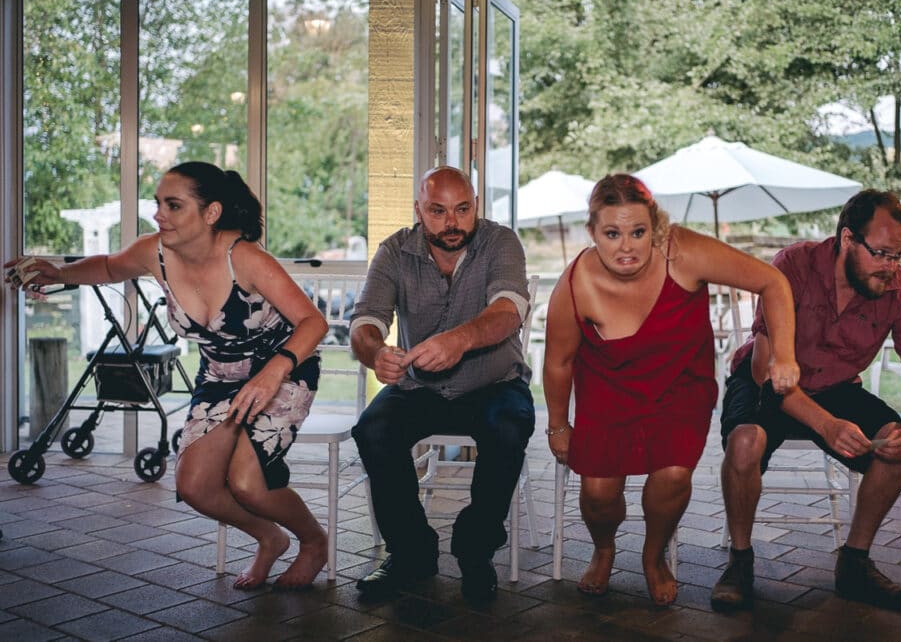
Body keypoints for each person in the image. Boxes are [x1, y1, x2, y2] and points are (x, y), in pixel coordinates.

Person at [4, 162, 330, 591]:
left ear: (211, 213)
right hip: (220, 377)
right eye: (158, 203)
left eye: (173, 205)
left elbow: (313, 321)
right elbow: (109, 268)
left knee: (247, 484)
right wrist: (61, 273)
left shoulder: (245, 258)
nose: (159, 214)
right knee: (195, 486)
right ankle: (270, 537)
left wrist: (274, 371)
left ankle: (313, 541)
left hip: (282, 371)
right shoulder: (154, 252)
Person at [543, 173, 799, 606]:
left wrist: (784, 355)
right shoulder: (575, 284)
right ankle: (604, 549)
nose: (626, 246)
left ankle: (653, 554)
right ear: (592, 232)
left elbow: (772, 282)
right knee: (599, 494)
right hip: (608, 392)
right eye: (612, 233)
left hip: (680, 387)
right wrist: (557, 425)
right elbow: (558, 362)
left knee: (673, 476)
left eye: (638, 232)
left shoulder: (684, 252)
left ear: (655, 227)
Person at [712, 189, 901, 612]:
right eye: (882, 254)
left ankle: (854, 564)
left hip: (835, 387)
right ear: (847, 239)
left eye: (900, 256)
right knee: (745, 443)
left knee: (896, 443)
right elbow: (765, 369)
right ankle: (740, 562)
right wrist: (826, 425)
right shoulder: (794, 266)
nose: (891, 267)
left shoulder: (900, 289)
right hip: (768, 381)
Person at [350, 165, 535, 603]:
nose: (452, 222)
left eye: (462, 209)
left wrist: (461, 339)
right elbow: (365, 321)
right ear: (419, 210)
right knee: (373, 431)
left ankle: (475, 551)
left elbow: (509, 310)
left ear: (476, 207)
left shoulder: (500, 242)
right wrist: (376, 353)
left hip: (494, 383)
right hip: (421, 388)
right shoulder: (394, 250)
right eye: (438, 211)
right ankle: (411, 552)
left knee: (509, 427)